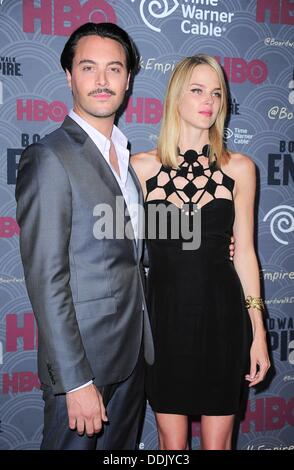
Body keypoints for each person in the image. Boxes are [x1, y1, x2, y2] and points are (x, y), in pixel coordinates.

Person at [15, 22, 154, 450]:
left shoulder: (126, 161)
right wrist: (75, 381)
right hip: (84, 365)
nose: (101, 80)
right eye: (89, 67)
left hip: (133, 356)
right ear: (69, 76)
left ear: (128, 80)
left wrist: (204, 244)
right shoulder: (49, 158)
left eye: (114, 69)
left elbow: (126, 250)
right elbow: (46, 277)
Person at [131, 54, 271, 450]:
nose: (208, 101)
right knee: (170, 444)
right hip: (165, 321)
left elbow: (245, 253)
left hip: (223, 320)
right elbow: (127, 249)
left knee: (218, 444)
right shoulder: (140, 168)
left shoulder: (239, 168)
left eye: (216, 92)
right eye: (197, 90)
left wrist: (258, 331)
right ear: (176, 98)